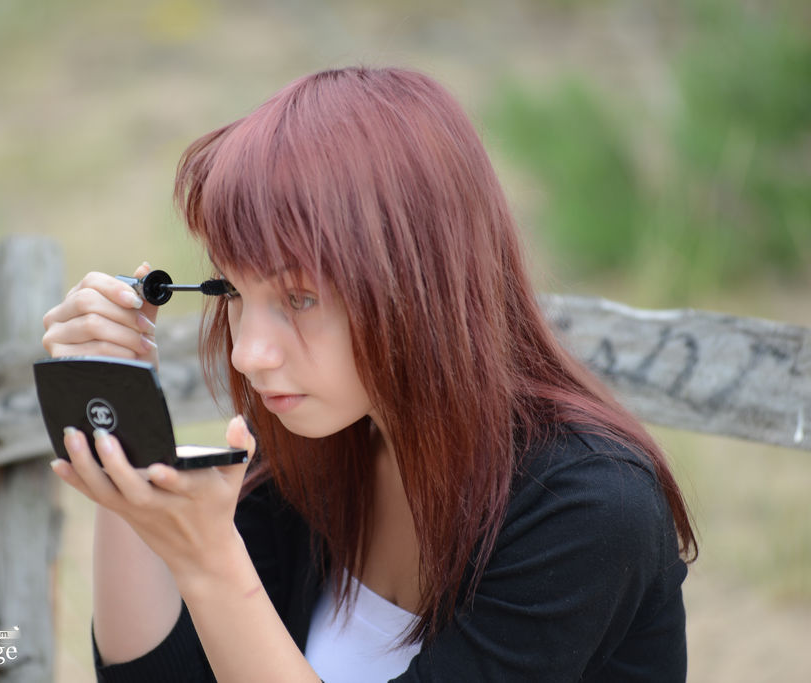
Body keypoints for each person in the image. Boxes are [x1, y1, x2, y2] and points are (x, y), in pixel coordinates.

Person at [41, 66, 697, 682]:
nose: (248, 354)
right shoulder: (321, 439)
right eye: (233, 291)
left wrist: (209, 562)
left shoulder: (588, 509)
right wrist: (122, 416)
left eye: (300, 298)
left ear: (420, 281)